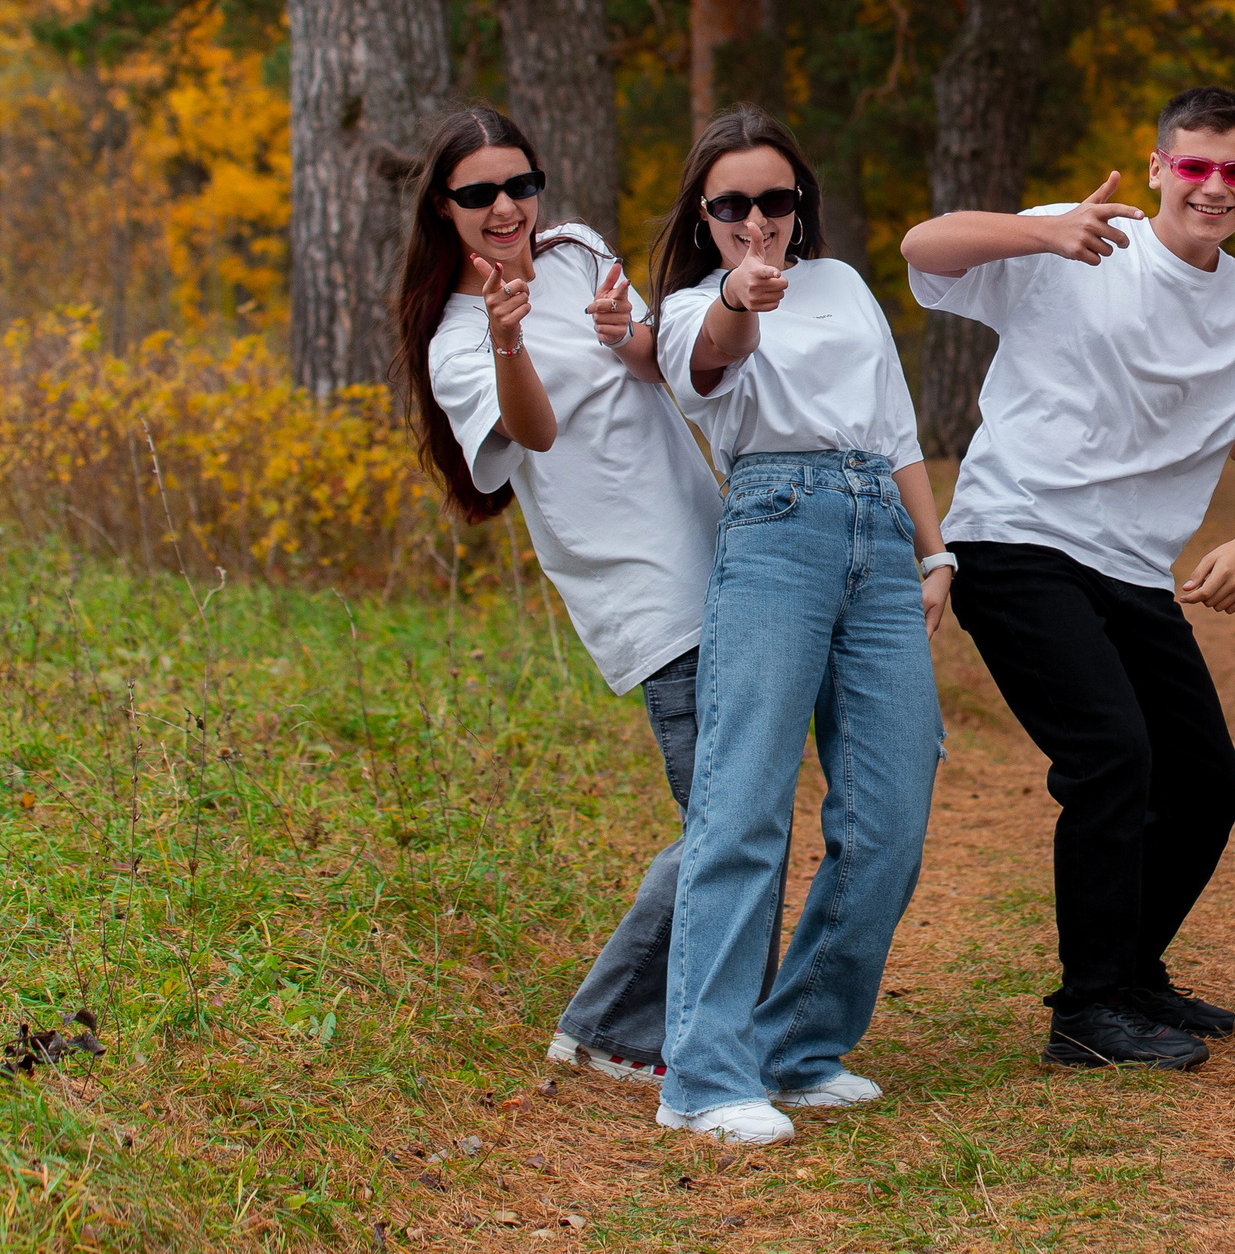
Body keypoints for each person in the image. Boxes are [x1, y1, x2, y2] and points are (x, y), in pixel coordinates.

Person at [900, 85, 1235, 1071]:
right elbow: (923, 249)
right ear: (1158, 167)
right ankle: (1088, 1012)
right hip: (1015, 537)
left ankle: (1132, 972)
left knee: (1205, 782)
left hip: (1130, 566)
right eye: (1193, 165)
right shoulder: (1076, 244)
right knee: (1113, 758)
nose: (1213, 186)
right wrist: (1041, 232)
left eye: (1234, 170)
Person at [392, 102, 724, 1088]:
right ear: (443, 209)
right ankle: (610, 1026)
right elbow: (528, 437)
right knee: (725, 821)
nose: (505, 208)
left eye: (519, 186)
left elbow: (659, 365)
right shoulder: (456, 336)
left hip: (719, 549)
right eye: (479, 193)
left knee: (741, 815)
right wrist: (508, 340)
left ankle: (684, 1018)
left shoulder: (577, 251)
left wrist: (629, 335)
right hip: (640, 591)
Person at [648, 107, 947, 1148]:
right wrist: (739, 294)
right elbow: (709, 362)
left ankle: (798, 1045)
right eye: (732, 204)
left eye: (775, 201)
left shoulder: (847, 284)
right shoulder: (692, 306)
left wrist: (934, 548)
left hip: (878, 529)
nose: (757, 220)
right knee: (744, 808)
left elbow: (898, 422)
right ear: (706, 215)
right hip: (776, 527)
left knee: (891, 809)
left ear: (800, 204)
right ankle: (702, 1075)